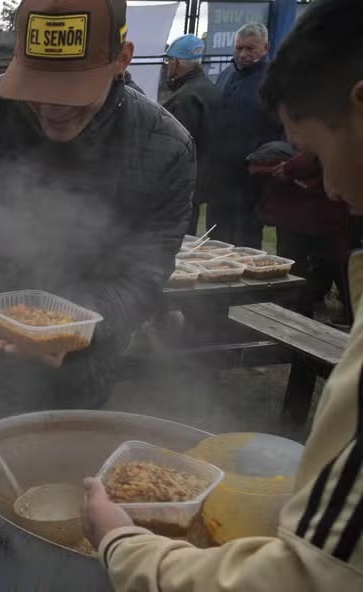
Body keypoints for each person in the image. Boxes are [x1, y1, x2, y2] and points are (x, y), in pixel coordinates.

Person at [0, 0, 194, 571]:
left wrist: (84, 335)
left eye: (73, 88)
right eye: (36, 83)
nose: (52, 105)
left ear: (122, 58)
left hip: (73, 390)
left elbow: (146, 275)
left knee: (56, 542)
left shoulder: (163, 147)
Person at [84, 1, 363, 589]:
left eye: (316, 151)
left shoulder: (167, 135)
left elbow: (314, 574)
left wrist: (123, 544)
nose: (330, 185)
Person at [249, 144, 352, 324]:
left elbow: (318, 153)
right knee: (330, 259)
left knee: (313, 259)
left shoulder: (333, 133)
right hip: (325, 211)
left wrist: (290, 169)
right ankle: (305, 306)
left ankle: (298, 312)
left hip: (323, 212)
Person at [208, 23, 283, 248]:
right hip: (221, 173)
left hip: (252, 177)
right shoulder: (226, 74)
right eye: (239, 48)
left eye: (250, 48)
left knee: (245, 237)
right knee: (215, 232)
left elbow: (282, 128)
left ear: (266, 47)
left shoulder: (275, 81)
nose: (243, 54)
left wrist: (264, 161)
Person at [162, 34, 222, 235]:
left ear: (177, 62)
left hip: (180, 184)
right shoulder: (211, 90)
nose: (167, 65)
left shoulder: (185, 98)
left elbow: (176, 148)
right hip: (202, 178)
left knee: (177, 239)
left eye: (169, 60)